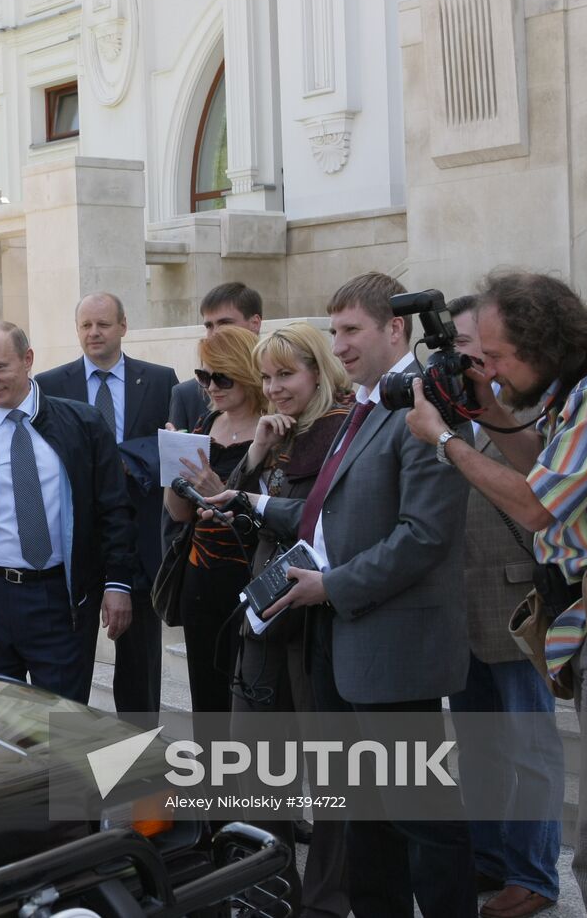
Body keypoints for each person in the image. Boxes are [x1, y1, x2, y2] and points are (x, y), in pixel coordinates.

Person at [406, 270, 587, 918]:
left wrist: (448, 440)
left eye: (496, 358)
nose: (491, 370)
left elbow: (539, 505)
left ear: (542, 343)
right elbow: (547, 462)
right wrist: (488, 413)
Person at [205, 271, 476, 918]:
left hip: (395, 652)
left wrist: (331, 584)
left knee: (424, 822)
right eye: (334, 330)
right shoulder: (368, 401)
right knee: (366, 822)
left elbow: (423, 536)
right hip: (342, 648)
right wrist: (252, 500)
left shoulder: (427, 403)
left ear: (394, 328)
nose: (341, 343)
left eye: (351, 329)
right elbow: (328, 515)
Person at [0, 321, 137, 703]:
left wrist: (117, 583)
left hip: (61, 601)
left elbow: (113, 508)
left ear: (27, 360)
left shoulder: (83, 424)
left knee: (62, 726)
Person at [436, 294, 562, 918]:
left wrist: (488, 411)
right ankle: (486, 855)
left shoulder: (526, 406)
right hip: (457, 607)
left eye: (476, 348)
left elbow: (544, 484)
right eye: (460, 347)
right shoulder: (441, 413)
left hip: (520, 604)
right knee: (478, 744)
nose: (467, 358)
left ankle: (534, 874)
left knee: (529, 745)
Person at [223, 321, 351, 918]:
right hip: (264, 622)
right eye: (267, 376)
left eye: (286, 374)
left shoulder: (343, 431)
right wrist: (253, 455)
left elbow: (324, 521)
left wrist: (260, 495)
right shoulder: (278, 436)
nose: (273, 388)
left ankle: (325, 904)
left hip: (318, 625)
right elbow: (228, 515)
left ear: (319, 372)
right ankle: (269, 896)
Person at [35, 292, 178, 714]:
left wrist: (127, 461)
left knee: (140, 666)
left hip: (140, 541)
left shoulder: (159, 379)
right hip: (74, 542)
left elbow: (169, 448)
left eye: (102, 324)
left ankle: (138, 768)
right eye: (85, 325)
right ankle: (69, 762)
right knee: (69, 663)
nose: (93, 333)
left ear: (123, 326)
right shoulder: (49, 385)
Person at [162, 326, 267, 716]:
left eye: (221, 377)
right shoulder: (205, 426)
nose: (211, 387)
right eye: (203, 377)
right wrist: (173, 464)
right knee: (207, 702)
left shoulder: (273, 430)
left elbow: (278, 515)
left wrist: (216, 486)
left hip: (250, 581)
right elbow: (179, 514)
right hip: (199, 580)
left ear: (245, 371)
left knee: (250, 703)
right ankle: (213, 779)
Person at [168, 282, 263, 431]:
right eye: (209, 326)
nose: (215, 333)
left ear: (255, 323)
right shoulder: (187, 395)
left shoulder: (279, 390)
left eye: (225, 323)